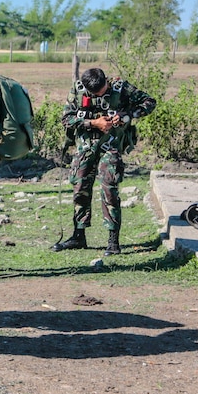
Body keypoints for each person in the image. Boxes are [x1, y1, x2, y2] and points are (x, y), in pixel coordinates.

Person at [52, 67, 156, 255]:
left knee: (109, 188)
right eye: (94, 93)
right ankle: (78, 236)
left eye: (101, 91)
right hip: (85, 147)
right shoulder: (78, 90)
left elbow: (149, 102)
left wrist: (127, 116)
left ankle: (113, 241)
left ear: (106, 82)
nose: (98, 95)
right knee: (80, 188)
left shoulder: (120, 87)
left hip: (111, 145)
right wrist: (93, 123)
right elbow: (66, 119)